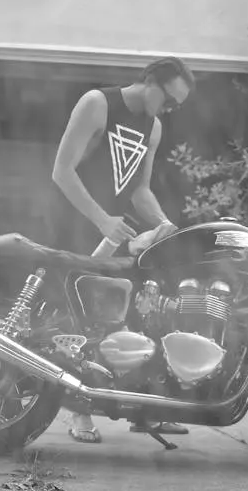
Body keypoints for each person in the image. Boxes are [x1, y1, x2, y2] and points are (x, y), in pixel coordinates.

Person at [51, 56, 195, 444]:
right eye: (168, 100)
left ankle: (147, 408)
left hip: (116, 231)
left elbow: (138, 190)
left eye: (176, 106)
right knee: (84, 322)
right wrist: (101, 220)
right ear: (150, 81)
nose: (169, 109)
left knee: (138, 310)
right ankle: (79, 413)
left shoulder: (154, 126)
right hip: (78, 223)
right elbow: (61, 171)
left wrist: (163, 223)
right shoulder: (97, 103)